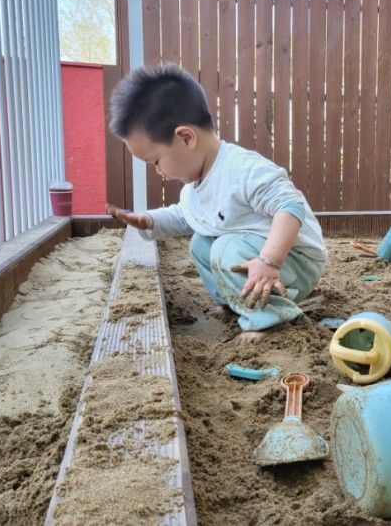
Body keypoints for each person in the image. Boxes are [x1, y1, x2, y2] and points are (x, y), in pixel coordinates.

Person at [106, 64, 327, 342]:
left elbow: (291, 208)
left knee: (223, 248)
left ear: (186, 138)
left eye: (156, 161)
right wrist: (148, 220)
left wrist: (269, 260)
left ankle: (271, 320)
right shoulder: (195, 186)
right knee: (201, 243)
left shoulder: (242, 169)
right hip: (259, 259)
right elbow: (185, 217)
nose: (159, 171)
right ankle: (234, 302)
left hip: (295, 258)